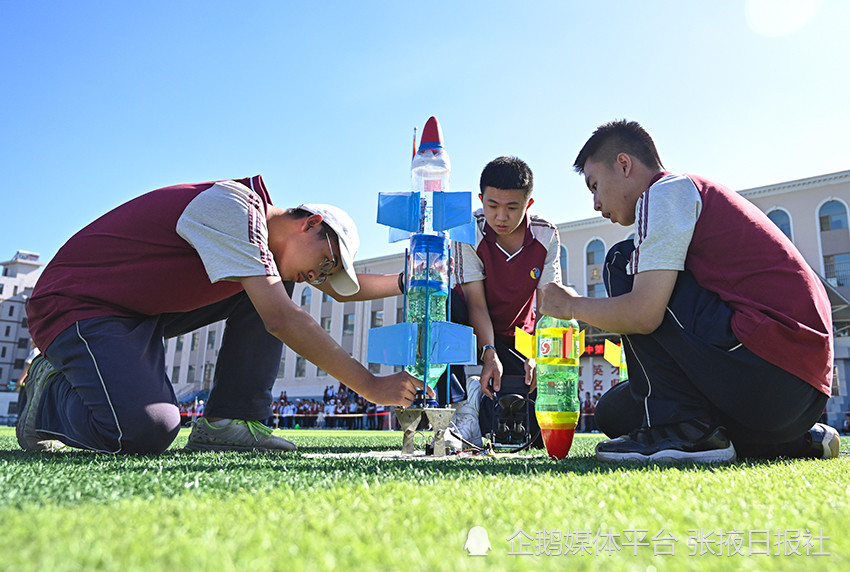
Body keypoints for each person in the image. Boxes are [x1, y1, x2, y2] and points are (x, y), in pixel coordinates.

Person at [17, 174, 428, 454]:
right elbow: (282, 320)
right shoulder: (234, 208)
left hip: (135, 312)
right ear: (311, 224)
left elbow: (340, 295)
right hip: (77, 304)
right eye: (325, 262)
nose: (318, 276)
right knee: (147, 431)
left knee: (277, 284)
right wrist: (370, 385)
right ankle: (49, 395)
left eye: (326, 274)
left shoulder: (266, 250)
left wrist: (409, 281)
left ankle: (228, 422)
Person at [538, 120, 839, 463]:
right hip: (796, 391)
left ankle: (688, 430)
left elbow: (643, 313)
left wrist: (571, 305)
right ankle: (791, 441)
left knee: (621, 261)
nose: (595, 203)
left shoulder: (667, 191)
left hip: (773, 366)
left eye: (595, 185)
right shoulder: (686, 198)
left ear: (624, 164)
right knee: (614, 413)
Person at [449, 156, 561, 448]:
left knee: (532, 434)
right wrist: (488, 352)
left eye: (512, 208)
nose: (500, 217)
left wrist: (537, 354)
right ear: (480, 199)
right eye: (492, 206)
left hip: (516, 336)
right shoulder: (467, 230)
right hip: (471, 326)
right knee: (445, 304)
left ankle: (478, 404)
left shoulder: (546, 234)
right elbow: (475, 302)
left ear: (529, 205)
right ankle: (459, 409)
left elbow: (548, 303)